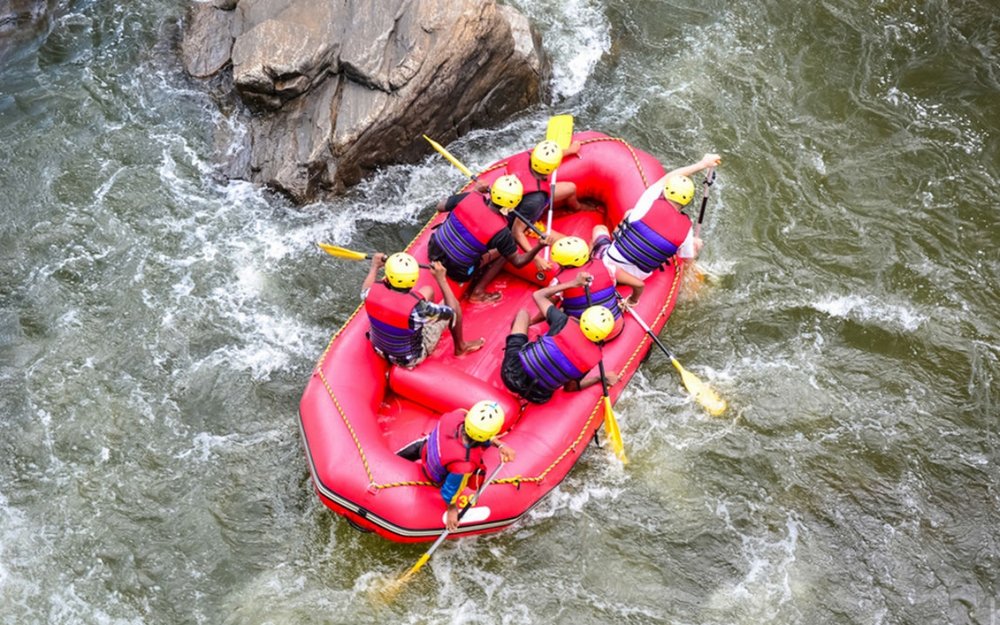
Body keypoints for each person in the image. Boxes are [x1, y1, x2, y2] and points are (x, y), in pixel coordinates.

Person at [593, 153, 722, 308]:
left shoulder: (648, 201)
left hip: (609, 262)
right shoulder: (686, 229)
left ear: (666, 191)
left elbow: (669, 176)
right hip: (637, 276)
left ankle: (592, 262)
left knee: (600, 228)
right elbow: (687, 258)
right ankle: (693, 284)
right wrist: (695, 244)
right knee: (693, 245)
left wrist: (702, 164)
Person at [397, 400, 516, 531]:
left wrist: (500, 444)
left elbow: (474, 429)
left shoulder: (458, 414)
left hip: (423, 449)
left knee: (415, 447)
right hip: (434, 476)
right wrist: (452, 508)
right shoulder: (465, 464)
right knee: (464, 477)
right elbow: (449, 491)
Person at [428, 174, 549, 303]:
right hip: (457, 272)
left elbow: (440, 207)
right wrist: (539, 246)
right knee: (509, 248)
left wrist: (476, 190)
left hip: (432, 250)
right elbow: (518, 262)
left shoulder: (469, 197)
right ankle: (478, 293)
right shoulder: (502, 232)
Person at [500, 274, 620, 404]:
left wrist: (574, 283)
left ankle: (521, 336)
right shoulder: (594, 357)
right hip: (538, 396)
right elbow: (571, 388)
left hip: (511, 374)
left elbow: (538, 295)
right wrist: (598, 378)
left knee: (523, 313)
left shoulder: (562, 322)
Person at [477, 139, 588, 274]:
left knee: (570, 188)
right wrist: (536, 258)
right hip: (519, 219)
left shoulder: (525, 157)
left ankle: (577, 208)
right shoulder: (536, 199)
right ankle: (479, 289)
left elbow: (544, 157)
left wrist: (570, 150)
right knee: (570, 244)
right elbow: (516, 231)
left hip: (522, 198)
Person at [361, 252, 484, 368]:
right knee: (454, 307)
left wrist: (375, 267)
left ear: (387, 278)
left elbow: (365, 289)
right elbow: (453, 312)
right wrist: (441, 279)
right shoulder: (419, 310)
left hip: (379, 349)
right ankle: (461, 347)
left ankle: (418, 324)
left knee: (428, 290)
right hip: (409, 358)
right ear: (413, 281)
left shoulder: (369, 293)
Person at [544, 235, 645, 341]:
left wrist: (532, 322)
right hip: (615, 328)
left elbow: (547, 308)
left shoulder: (558, 282)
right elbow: (639, 285)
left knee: (561, 310)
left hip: (586, 335)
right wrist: (632, 301)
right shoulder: (607, 267)